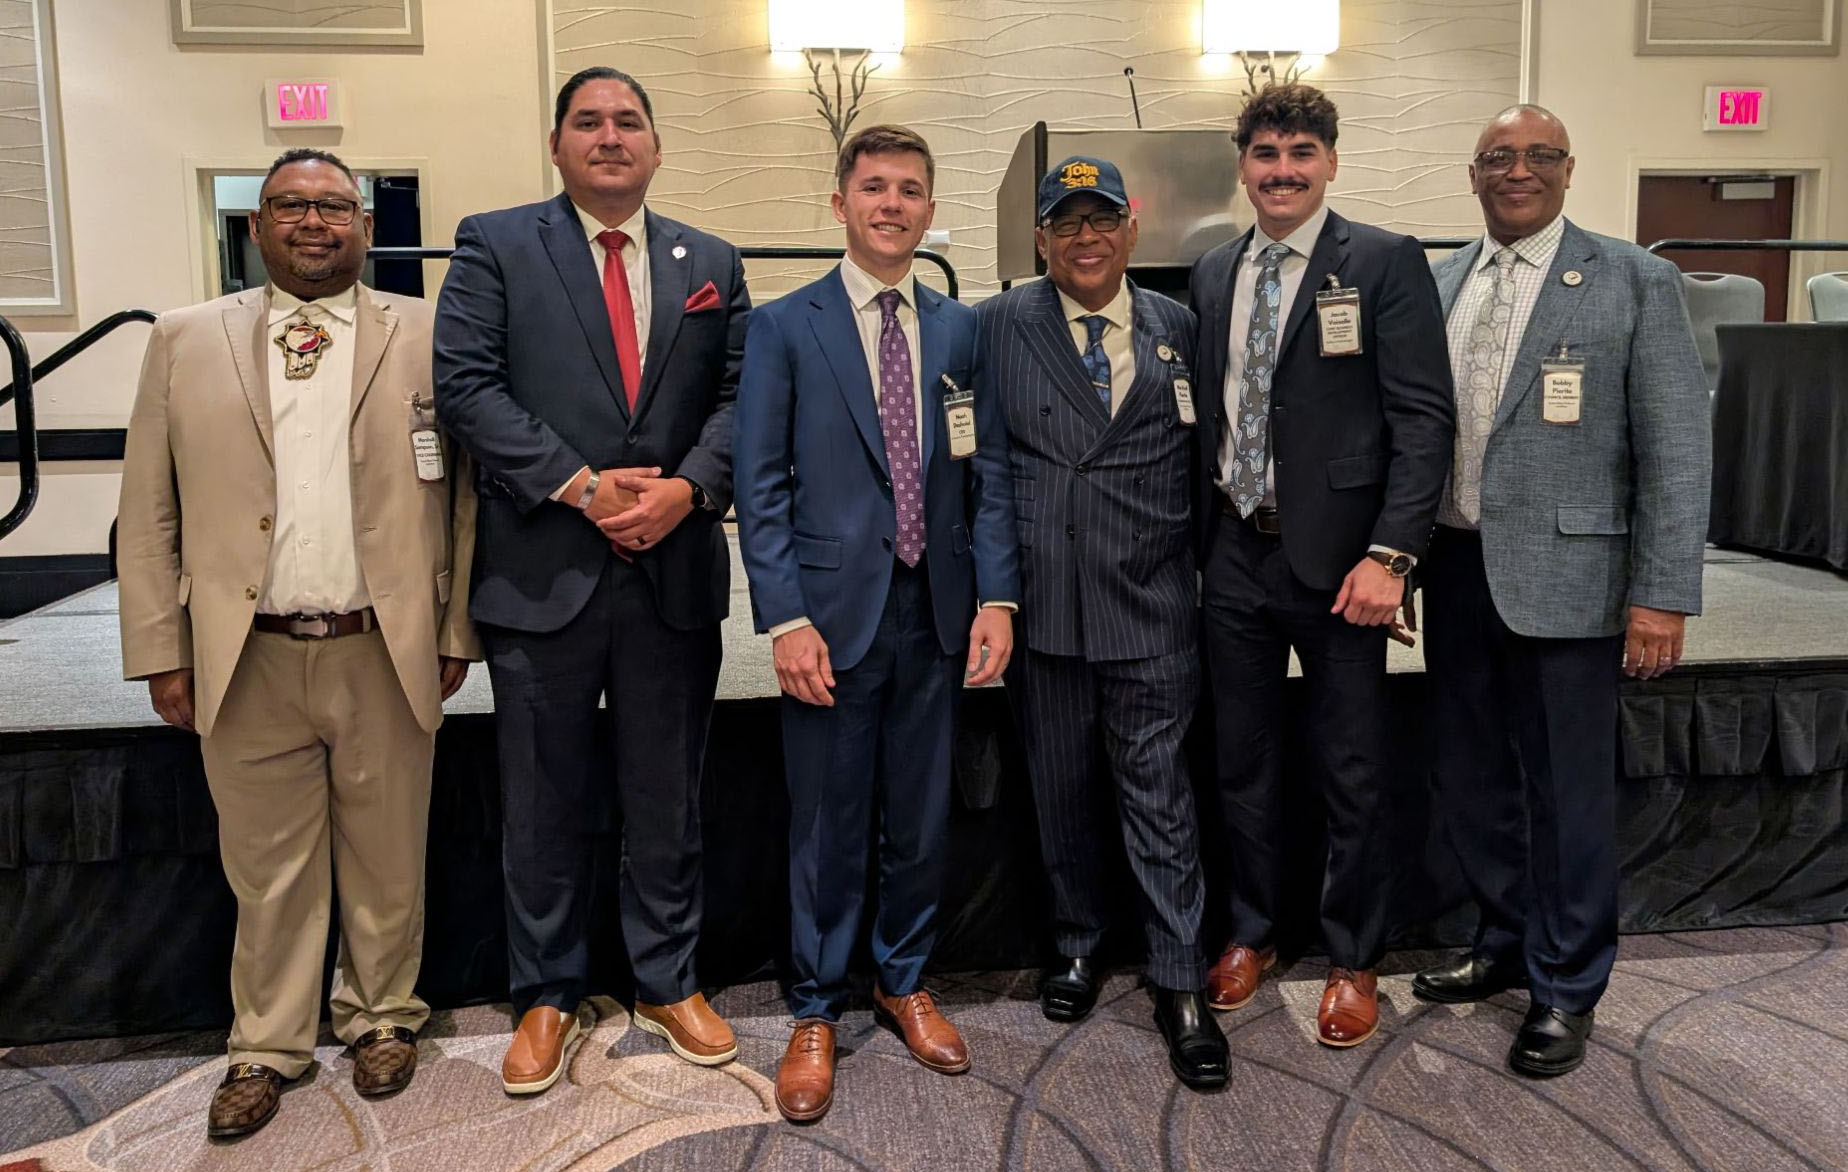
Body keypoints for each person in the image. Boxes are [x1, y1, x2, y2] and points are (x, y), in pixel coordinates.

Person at [118, 147, 478, 1138]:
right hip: (247, 652)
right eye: (291, 205)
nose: (314, 221)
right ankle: (266, 1043)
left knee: (388, 851)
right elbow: (147, 505)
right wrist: (160, 645)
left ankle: (382, 1015)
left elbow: (465, 498)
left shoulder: (427, 332)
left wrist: (454, 626)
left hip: (382, 642)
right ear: (256, 225)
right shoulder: (186, 339)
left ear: (363, 224)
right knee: (264, 867)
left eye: (334, 206)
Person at [433, 66, 749, 1094]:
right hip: (545, 569)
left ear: (656, 147)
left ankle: (667, 977)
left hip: (672, 570)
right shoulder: (495, 243)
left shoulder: (713, 260)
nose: (610, 137)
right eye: (589, 122)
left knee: (669, 795)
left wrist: (689, 491)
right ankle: (547, 991)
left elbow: (743, 398)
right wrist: (580, 486)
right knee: (541, 797)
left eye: (628, 122)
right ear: (558, 146)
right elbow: (466, 386)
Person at [1413, 104, 1710, 1077]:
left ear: (1569, 170)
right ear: (1473, 174)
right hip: (1457, 568)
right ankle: (1504, 942)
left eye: (1539, 155)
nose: (1518, 171)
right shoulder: (1440, 279)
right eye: (1499, 157)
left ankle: (1567, 982)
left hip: (1576, 584)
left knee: (1568, 793)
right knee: (1474, 780)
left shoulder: (1635, 279)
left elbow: (1675, 450)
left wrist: (1661, 593)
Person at [733, 124, 1019, 1123]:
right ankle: (815, 1004)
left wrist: (997, 596)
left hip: (936, 610)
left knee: (921, 813)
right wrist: (785, 617)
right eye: (873, 188)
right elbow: (759, 483)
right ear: (840, 204)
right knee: (827, 821)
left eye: (908, 190)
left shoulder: (959, 329)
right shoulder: (784, 326)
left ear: (929, 210)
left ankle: (903, 980)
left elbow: (987, 478)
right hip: (831, 616)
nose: (891, 204)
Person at [1189, 83, 1455, 1047]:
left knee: (1353, 769)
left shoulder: (1383, 262)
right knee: (1241, 762)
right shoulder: (1216, 272)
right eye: (1266, 154)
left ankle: (1354, 955)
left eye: (1302, 152)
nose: (1283, 170)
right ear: (1244, 167)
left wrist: (1394, 555)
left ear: (1331, 163)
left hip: (1347, 566)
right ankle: (1252, 931)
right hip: (1233, 553)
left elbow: (1424, 421)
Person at [977, 155, 1227, 1089]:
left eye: (1102, 219)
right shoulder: (997, 325)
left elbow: (1209, 462)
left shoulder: (1180, 329)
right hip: (1042, 611)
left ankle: (1179, 978)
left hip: (1154, 606)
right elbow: (984, 469)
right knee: (1061, 793)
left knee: (1160, 799)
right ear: (1040, 240)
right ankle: (1078, 944)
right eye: (1065, 222)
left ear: (1132, 229)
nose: (1085, 237)